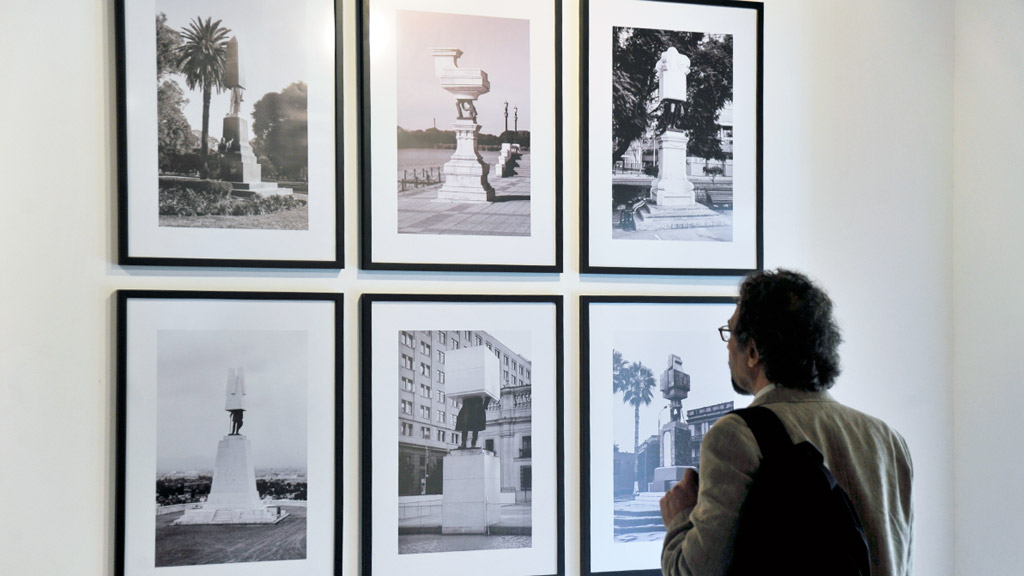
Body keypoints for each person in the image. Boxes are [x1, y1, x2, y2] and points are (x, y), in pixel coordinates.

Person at [660, 269, 914, 576]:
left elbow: (693, 572)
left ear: (753, 351)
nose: (727, 346)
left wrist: (680, 517)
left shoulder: (735, 435)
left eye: (730, 333)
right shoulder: (888, 440)